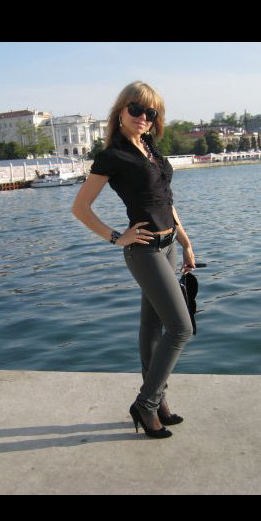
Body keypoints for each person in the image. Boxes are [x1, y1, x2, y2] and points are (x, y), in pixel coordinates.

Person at [71, 81, 196, 439]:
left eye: (150, 112)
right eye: (136, 109)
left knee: (152, 326)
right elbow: (80, 207)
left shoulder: (151, 149)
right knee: (181, 328)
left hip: (168, 246)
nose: (143, 117)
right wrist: (116, 236)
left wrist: (186, 242)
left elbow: (166, 202)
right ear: (121, 112)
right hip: (143, 250)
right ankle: (146, 403)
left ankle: (158, 402)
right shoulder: (113, 156)